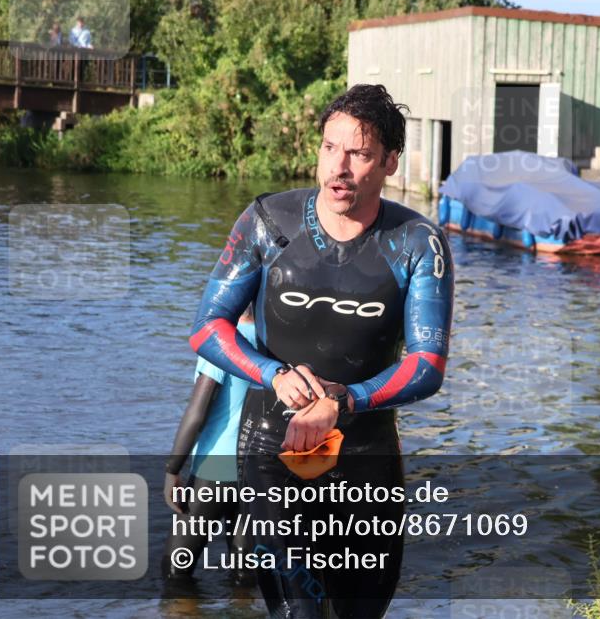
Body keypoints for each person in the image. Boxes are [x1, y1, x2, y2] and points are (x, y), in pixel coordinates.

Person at [189, 84, 454, 618]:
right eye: (330, 148)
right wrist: (272, 374)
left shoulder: (417, 243)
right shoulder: (268, 221)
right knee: (298, 612)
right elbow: (206, 328)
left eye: (359, 153)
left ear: (389, 163)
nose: (340, 166)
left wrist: (346, 399)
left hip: (367, 457)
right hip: (271, 447)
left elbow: (427, 366)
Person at [162, 305, 258, 584]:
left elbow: (197, 413)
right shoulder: (273, 343)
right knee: (244, 571)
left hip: (216, 468)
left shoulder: (222, 341)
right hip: (258, 468)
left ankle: (183, 612)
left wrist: (172, 470)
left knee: (175, 570)